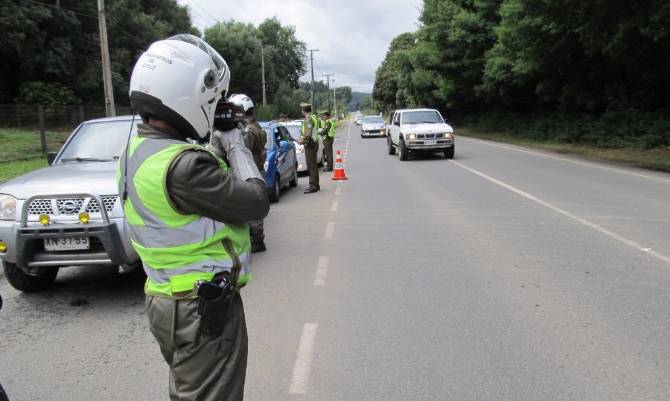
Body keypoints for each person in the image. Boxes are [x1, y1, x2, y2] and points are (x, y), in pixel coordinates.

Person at [118, 34, 269, 401]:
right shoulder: (186, 166)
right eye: (213, 98)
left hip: (166, 298)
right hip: (203, 307)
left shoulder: (139, 150)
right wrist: (234, 143)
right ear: (188, 95)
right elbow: (255, 202)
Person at [227, 94, 267, 253]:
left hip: (249, 171)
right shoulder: (257, 126)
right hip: (256, 169)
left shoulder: (248, 131)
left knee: (251, 207)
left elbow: (243, 152)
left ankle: (257, 239)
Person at [298, 102, 320, 193]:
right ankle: (316, 185)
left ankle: (313, 186)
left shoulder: (308, 120)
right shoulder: (314, 117)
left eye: (301, 109)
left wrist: (301, 141)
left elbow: (308, 134)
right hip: (314, 143)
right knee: (314, 165)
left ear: (303, 110)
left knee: (311, 166)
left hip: (310, 144)